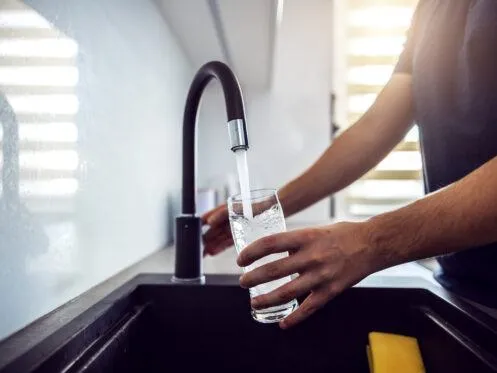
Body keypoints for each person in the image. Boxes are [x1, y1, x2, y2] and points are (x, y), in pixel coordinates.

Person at [202, 0, 497, 329]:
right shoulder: (431, 8)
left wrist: (370, 241)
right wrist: (269, 209)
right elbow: (374, 129)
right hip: (460, 286)